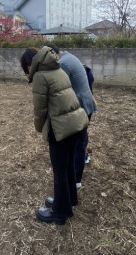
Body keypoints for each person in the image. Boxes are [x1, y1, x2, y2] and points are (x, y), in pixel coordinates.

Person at [20, 46, 89, 225]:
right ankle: (68, 200)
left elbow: (40, 109)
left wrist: (38, 128)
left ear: (30, 64)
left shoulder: (40, 76)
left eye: (26, 67)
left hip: (61, 129)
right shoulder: (57, 68)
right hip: (76, 124)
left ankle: (59, 213)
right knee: (67, 167)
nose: (27, 71)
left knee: (59, 171)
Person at [46, 44, 97, 189]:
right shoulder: (69, 57)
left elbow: (55, 87)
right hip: (86, 103)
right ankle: (80, 167)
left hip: (80, 106)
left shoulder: (63, 64)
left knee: (77, 144)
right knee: (81, 139)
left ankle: (75, 180)